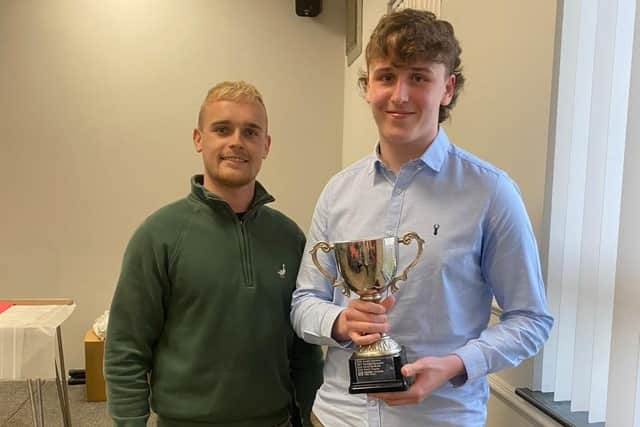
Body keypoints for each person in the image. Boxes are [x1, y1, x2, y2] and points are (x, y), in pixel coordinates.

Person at [291, 9, 553, 427]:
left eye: (418, 77)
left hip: (440, 419)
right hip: (338, 416)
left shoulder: (490, 193)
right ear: (368, 86)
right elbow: (304, 302)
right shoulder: (338, 192)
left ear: (447, 88)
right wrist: (339, 321)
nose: (399, 95)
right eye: (386, 76)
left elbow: (531, 320)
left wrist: (455, 365)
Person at [105, 80, 324, 427]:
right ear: (198, 139)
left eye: (250, 132)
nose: (237, 141)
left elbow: (304, 349)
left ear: (265, 145)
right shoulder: (158, 235)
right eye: (223, 129)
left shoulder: (289, 237)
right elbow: (126, 348)